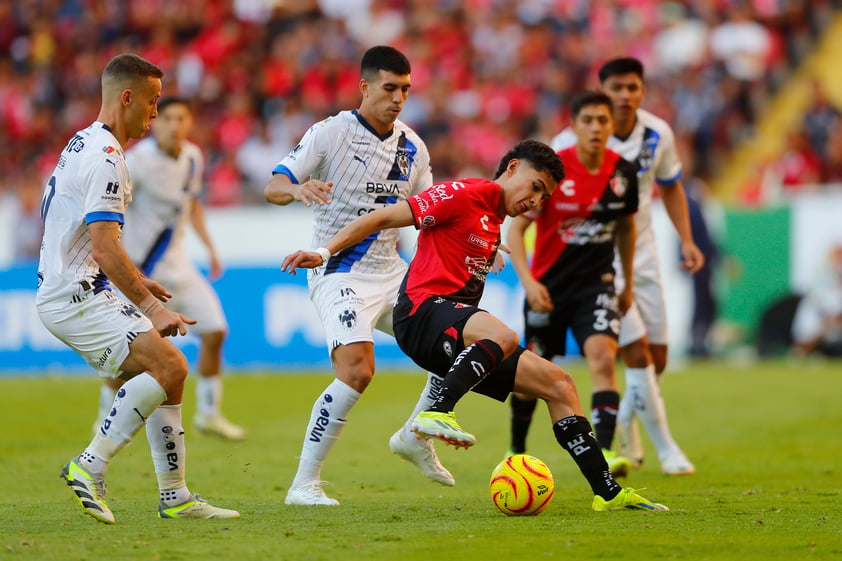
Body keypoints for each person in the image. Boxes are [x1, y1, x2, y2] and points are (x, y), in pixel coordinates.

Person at [282, 139, 669, 512]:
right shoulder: (464, 193)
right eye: (535, 187)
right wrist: (323, 251)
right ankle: (436, 412)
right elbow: (384, 216)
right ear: (513, 167)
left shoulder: (493, 222)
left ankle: (608, 491)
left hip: (451, 332)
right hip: (420, 313)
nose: (535, 201)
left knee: (560, 385)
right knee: (503, 334)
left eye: (544, 197)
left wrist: (489, 247)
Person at [35, 53, 239, 524]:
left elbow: (89, 239)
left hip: (75, 284)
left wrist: (136, 278)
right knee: (170, 364)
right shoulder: (109, 159)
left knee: (166, 374)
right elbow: (105, 248)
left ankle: (176, 496)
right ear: (127, 98)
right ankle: (90, 465)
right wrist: (150, 304)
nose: (154, 112)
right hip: (76, 293)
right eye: (152, 102)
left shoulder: (82, 142)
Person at [264, 45, 453, 506]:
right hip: (338, 271)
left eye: (405, 89)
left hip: (393, 274)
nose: (398, 98)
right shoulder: (329, 134)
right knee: (357, 370)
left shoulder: (413, 146)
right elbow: (273, 186)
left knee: (451, 346)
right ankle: (303, 484)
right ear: (365, 87)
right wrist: (296, 188)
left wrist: (482, 245)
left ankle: (414, 435)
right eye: (390, 88)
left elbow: (430, 213)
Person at [550, 57, 705, 475]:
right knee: (635, 354)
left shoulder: (658, 134)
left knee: (657, 359)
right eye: (616, 88)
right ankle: (668, 449)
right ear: (602, 89)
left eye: (632, 88)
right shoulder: (572, 138)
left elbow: (671, 189)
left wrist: (687, 240)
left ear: (642, 90)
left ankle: (623, 425)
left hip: (645, 253)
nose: (624, 96)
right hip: (598, 258)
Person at [92, 96, 246, 441]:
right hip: (143, 272)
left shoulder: (193, 157)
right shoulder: (136, 162)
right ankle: (104, 418)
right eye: (168, 118)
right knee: (126, 356)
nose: (175, 125)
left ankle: (208, 414)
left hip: (181, 268)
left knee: (216, 331)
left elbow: (190, 206)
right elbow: (113, 210)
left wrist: (210, 248)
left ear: (190, 123)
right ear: (156, 123)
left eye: (182, 118)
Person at [507, 92, 638, 478]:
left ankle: (610, 450)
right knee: (532, 378)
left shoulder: (623, 173)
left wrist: (627, 281)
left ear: (611, 126)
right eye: (588, 120)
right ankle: (516, 451)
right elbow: (517, 228)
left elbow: (626, 228)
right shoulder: (555, 173)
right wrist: (528, 283)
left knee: (602, 358)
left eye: (603, 120)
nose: (596, 128)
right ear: (575, 125)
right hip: (548, 290)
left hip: (597, 286)